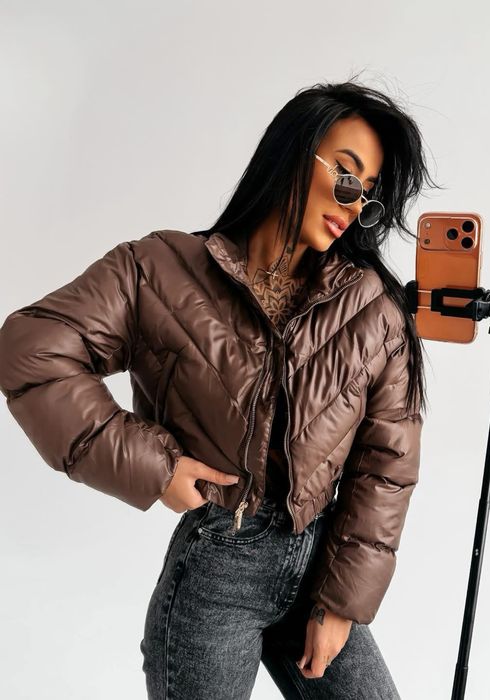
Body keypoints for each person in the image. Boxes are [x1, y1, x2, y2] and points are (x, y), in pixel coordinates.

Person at [0, 76, 438, 699]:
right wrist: (155, 464)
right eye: (346, 177)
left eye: (366, 197)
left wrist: (343, 602)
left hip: (321, 564)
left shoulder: (373, 309)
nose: (352, 206)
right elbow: (31, 349)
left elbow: (386, 466)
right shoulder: (159, 270)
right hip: (216, 572)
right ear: (293, 153)